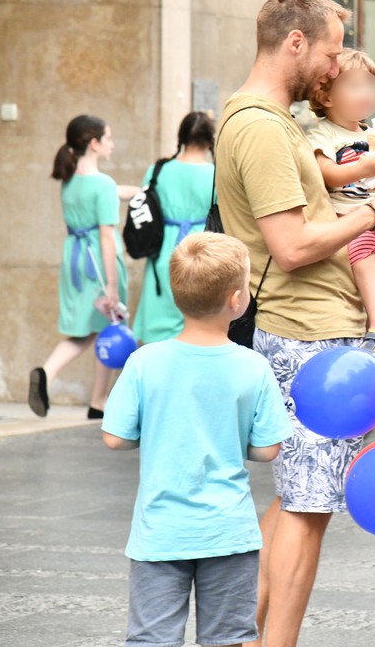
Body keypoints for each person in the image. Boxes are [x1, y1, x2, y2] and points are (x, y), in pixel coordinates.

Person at [213, 0, 375, 647]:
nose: (335, 69)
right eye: (330, 52)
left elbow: (312, 223)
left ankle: (245, 634)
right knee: (308, 508)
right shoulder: (264, 128)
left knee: (294, 499)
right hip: (313, 337)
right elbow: (292, 246)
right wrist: (373, 214)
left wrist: (368, 230)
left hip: (314, 330)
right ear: (294, 42)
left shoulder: (270, 122)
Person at [102, 232, 293, 647]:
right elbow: (268, 448)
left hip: (160, 532)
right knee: (228, 638)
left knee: (152, 638)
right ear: (238, 300)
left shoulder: (144, 361)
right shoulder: (253, 367)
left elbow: (115, 438)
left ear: (175, 295)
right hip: (228, 532)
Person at [30, 114, 133, 419]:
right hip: (98, 266)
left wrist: (141, 192)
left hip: (74, 258)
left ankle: (54, 376)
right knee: (109, 327)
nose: (112, 144)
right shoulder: (102, 184)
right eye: (109, 138)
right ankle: (97, 401)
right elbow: (106, 235)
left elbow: (109, 193)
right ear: (94, 143)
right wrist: (112, 286)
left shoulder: (69, 179)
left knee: (90, 330)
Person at [307, 48, 375, 367]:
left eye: (369, 86)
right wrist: (360, 170)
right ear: (327, 97)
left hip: (368, 225)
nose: (365, 94)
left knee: (365, 260)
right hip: (342, 221)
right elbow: (326, 173)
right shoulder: (322, 134)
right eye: (354, 86)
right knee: (363, 278)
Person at [132, 111, 217, 344]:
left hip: (163, 251)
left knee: (158, 328)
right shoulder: (215, 174)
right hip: (201, 252)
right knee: (198, 324)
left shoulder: (158, 170)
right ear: (210, 140)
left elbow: (145, 205)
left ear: (181, 137)